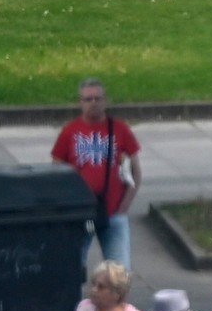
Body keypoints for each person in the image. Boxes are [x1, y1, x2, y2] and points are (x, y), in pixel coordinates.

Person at [52, 78, 144, 269]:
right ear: (80, 102)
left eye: (97, 98)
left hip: (113, 213)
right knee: (72, 270)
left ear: (105, 101)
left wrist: (124, 206)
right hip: (79, 214)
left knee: (119, 272)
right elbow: (56, 173)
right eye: (88, 99)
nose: (93, 103)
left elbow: (136, 171)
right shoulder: (70, 131)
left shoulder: (119, 129)